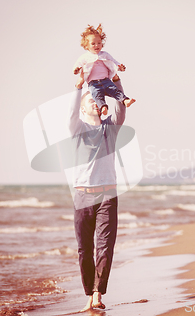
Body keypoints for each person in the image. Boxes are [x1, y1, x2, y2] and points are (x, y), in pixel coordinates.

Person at [67, 78, 127, 311]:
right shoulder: (78, 129)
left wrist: (117, 86)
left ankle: (97, 293)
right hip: (82, 196)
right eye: (89, 100)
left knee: (104, 246)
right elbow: (71, 114)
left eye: (96, 99)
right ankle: (88, 292)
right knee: (84, 249)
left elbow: (120, 111)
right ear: (83, 108)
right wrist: (78, 88)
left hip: (107, 196)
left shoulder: (109, 128)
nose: (94, 103)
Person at [73, 24, 135, 116]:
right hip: (93, 83)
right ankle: (103, 107)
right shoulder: (85, 57)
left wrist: (119, 66)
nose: (96, 45)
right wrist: (76, 69)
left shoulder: (105, 54)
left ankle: (125, 100)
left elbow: (113, 61)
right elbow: (78, 65)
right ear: (86, 46)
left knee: (115, 91)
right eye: (93, 44)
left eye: (99, 43)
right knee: (97, 95)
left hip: (106, 80)